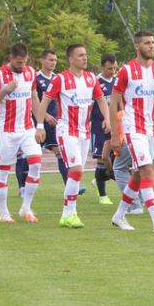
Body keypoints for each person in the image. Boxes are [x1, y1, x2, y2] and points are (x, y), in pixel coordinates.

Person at [109, 30, 154, 233]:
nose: (151, 46)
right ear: (137, 46)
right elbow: (113, 101)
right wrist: (115, 134)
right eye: (147, 43)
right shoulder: (126, 71)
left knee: (139, 175)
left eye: (153, 42)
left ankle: (119, 215)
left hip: (153, 128)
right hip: (133, 127)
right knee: (147, 170)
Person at [36, 43, 111, 229]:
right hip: (66, 130)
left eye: (85, 55)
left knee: (76, 173)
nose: (84, 58)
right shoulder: (60, 79)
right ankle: (69, 213)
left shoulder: (91, 79)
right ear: (70, 59)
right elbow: (44, 101)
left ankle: (68, 214)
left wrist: (108, 118)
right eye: (80, 55)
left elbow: (101, 99)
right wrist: (40, 125)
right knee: (76, 170)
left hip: (84, 132)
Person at [0, 43, 43, 223]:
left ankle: (26, 208)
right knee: (2, 171)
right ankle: (3, 213)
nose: (21, 66)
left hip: (27, 128)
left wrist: (39, 124)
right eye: (18, 63)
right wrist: (6, 90)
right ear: (11, 58)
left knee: (35, 163)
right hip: (6, 130)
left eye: (24, 62)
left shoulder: (31, 73)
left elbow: (34, 97)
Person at [35, 49, 70, 186]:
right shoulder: (36, 78)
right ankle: (23, 186)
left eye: (55, 60)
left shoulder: (57, 78)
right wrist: (45, 116)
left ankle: (69, 186)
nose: (53, 63)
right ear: (42, 60)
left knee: (60, 152)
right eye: (50, 60)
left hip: (54, 124)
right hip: (37, 123)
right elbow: (34, 102)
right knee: (32, 155)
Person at [90, 53, 118, 205]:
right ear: (102, 67)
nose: (112, 71)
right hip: (98, 126)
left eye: (114, 68)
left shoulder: (117, 81)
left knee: (114, 157)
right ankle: (102, 195)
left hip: (115, 125)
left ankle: (101, 177)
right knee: (101, 158)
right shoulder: (95, 82)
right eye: (109, 68)